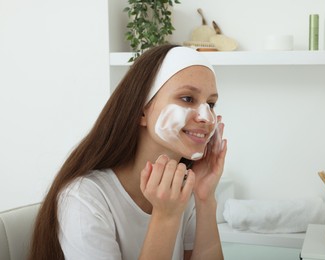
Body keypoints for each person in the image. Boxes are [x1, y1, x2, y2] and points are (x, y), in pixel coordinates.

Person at [29, 44, 227, 260]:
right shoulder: (84, 199)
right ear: (142, 110)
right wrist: (165, 217)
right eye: (187, 99)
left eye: (211, 104)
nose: (206, 118)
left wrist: (205, 197)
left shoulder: (186, 189)